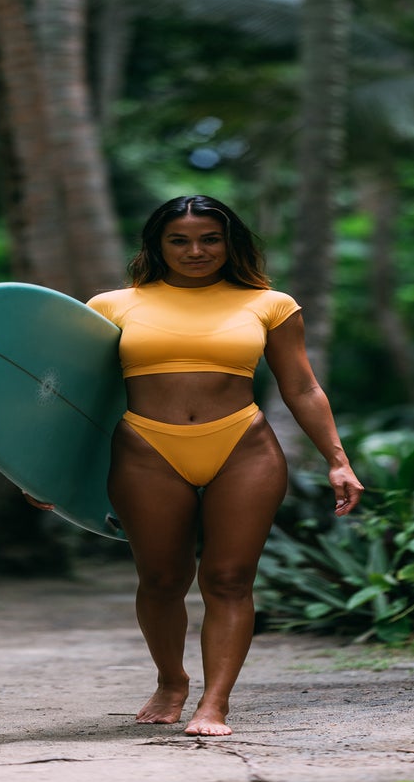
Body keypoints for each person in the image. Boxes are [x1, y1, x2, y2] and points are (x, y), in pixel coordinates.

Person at [28, 195, 363, 737]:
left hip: (243, 447)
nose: (196, 250)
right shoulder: (112, 305)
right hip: (146, 448)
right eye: (179, 240)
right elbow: (76, 397)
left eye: (210, 238)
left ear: (230, 243)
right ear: (157, 246)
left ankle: (216, 703)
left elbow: (301, 386)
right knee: (161, 578)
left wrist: (338, 461)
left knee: (230, 579)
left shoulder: (270, 304)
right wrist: (45, 470)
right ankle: (170, 681)